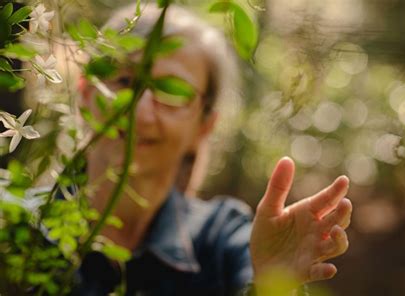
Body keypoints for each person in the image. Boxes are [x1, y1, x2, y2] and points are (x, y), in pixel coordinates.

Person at [75, 3, 353, 296]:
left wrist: (271, 285)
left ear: (205, 124)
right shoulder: (26, 225)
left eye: (172, 91)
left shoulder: (222, 240)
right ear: (85, 91)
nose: (140, 113)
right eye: (125, 81)